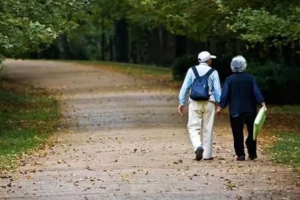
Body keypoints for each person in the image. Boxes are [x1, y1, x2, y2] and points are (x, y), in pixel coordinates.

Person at [216, 55, 267, 161]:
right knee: (252, 131)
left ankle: (240, 154)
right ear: (244, 66)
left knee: (237, 132)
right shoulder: (250, 78)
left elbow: (225, 95)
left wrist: (220, 107)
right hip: (250, 110)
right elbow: (256, 92)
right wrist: (262, 103)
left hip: (235, 111)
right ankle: (252, 152)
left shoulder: (229, 80)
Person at [178, 51, 221, 161]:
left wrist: (181, 102)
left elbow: (185, 87)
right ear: (208, 60)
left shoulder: (191, 70)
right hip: (209, 102)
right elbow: (217, 90)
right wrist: (219, 103)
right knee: (208, 128)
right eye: (210, 59)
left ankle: (198, 146)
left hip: (194, 102)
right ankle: (207, 155)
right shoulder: (213, 72)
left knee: (193, 127)